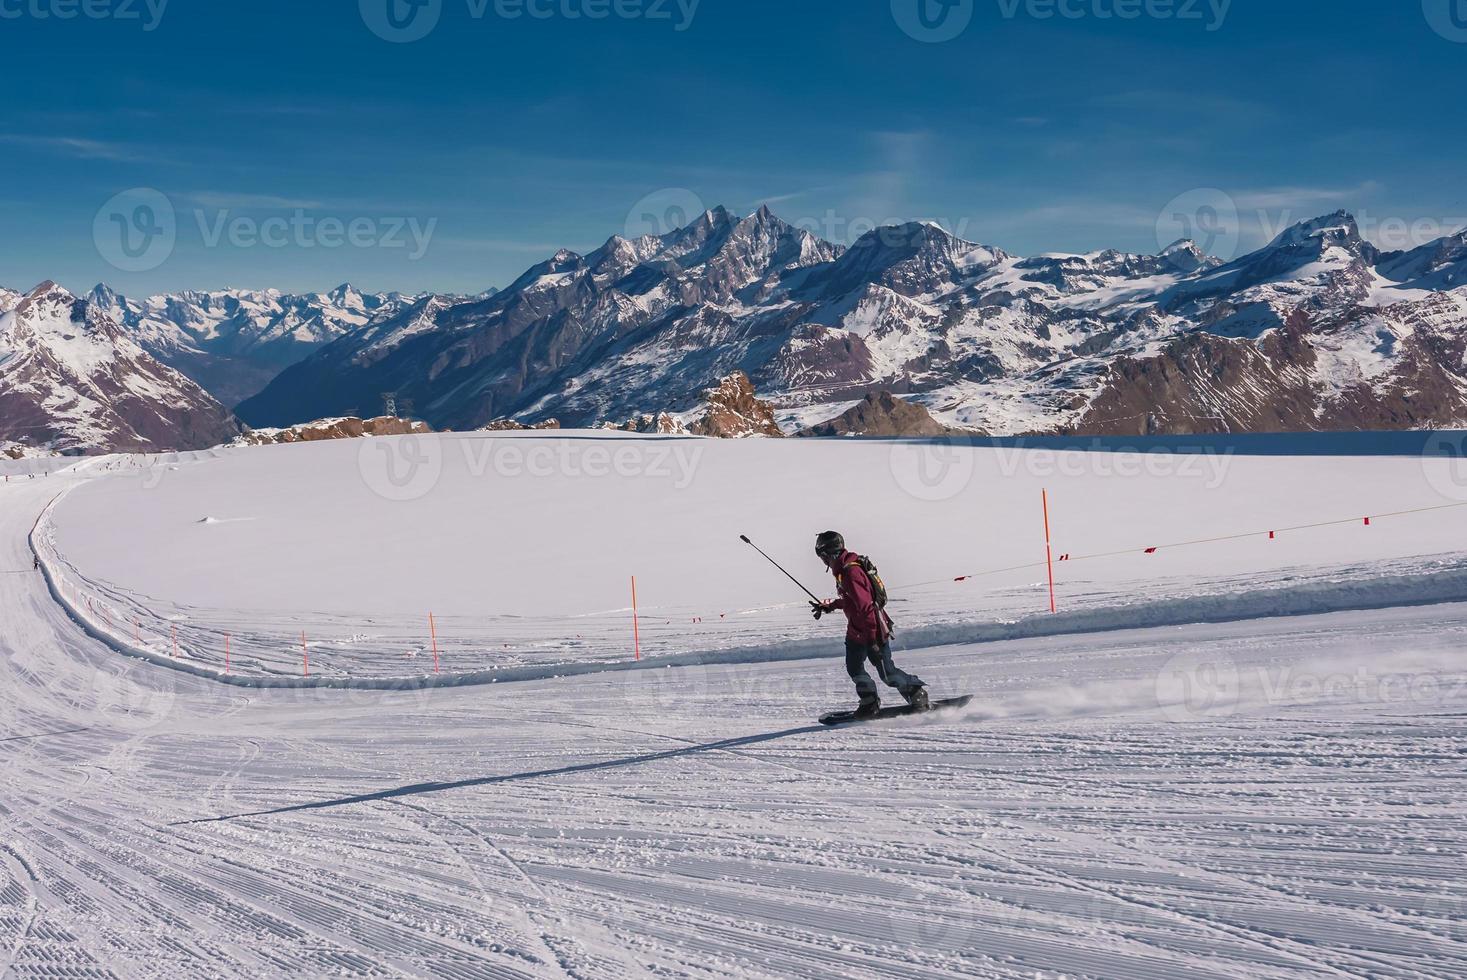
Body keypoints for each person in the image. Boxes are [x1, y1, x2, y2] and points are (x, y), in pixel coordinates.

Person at [810, 531, 929, 718]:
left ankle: (916, 693)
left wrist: (873, 641)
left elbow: (866, 609)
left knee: (887, 674)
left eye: (821, 556)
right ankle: (869, 702)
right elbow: (851, 600)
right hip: (856, 631)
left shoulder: (851, 572)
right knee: (854, 668)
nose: (822, 561)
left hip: (873, 630)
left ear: (827, 554)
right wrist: (830, 606)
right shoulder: (843, 569)